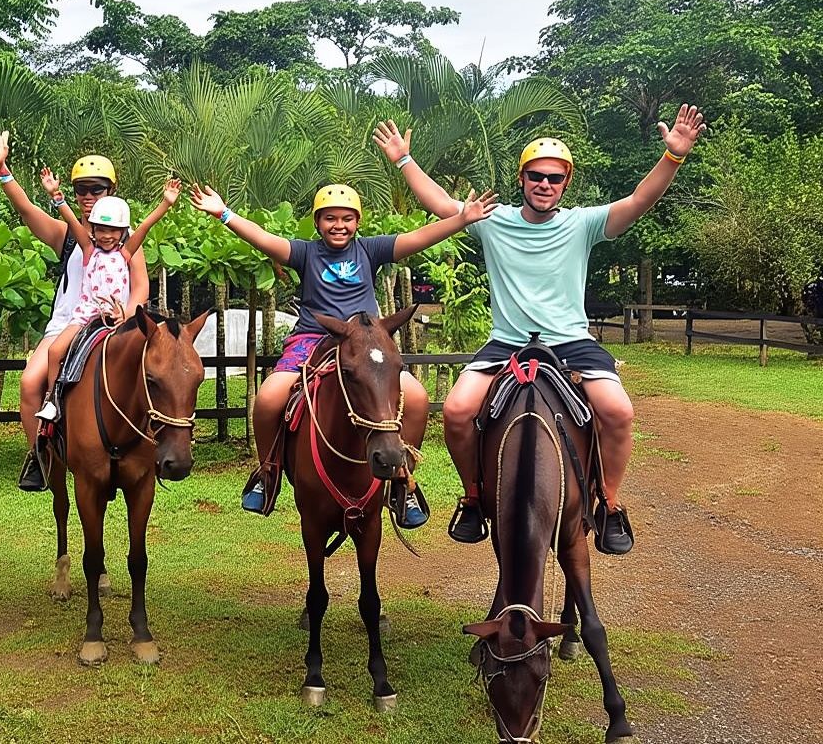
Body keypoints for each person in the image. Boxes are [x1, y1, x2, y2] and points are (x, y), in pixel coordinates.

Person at [373, 104, 707, 553]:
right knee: (455, 411)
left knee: (619, 412)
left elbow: (638, 201)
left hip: (571, 343)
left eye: (554, 178)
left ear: (566, 182)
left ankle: (609, 503)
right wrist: (403, 160)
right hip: (507, 344)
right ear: (522, 179)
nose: (544, 185)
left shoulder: (583, 223)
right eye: (536, 176)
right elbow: (439, 203)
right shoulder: (491, 220)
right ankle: (473, 498)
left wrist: (673, 157)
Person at [189, 181, 498, 526]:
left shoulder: (371, 250)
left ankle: (403, 479)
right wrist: (224, 213)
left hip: (365, 344)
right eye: (330, 218)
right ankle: (268, 472)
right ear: (318, 222)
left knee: (418, 397)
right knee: (269, 396)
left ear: (358, 222)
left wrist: (462, 219)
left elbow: (419, 237)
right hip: (312, 337)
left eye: (347, 218)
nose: (339, 225)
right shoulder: (305, 253)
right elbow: (263, 238)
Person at [0, 133, 149, 489]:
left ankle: (156, 444)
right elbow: (27, 210)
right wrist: (2, 170)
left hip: (116, 324)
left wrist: (130, 312)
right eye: (81, 190)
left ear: (111, 191)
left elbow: (141, 288)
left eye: (97, 189)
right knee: (30, 382)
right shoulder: (69, 235)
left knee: (157, 378)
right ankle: (40, 457)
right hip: (68, 324)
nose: (88, 197)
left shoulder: (125, 239)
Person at [35, 174, 182, 420]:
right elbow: (71, 220)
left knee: (140, 355)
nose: (107, 236)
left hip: (116, 318)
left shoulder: (125, 253)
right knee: (54, 352)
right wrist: (56, 196)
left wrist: (166, 203)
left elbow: (145, 226)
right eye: (101, 229)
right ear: (92, 229)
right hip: (85, 316)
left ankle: (146, 408)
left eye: (114, 230)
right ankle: (53, 400)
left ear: (124, 231)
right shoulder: (88, 250)